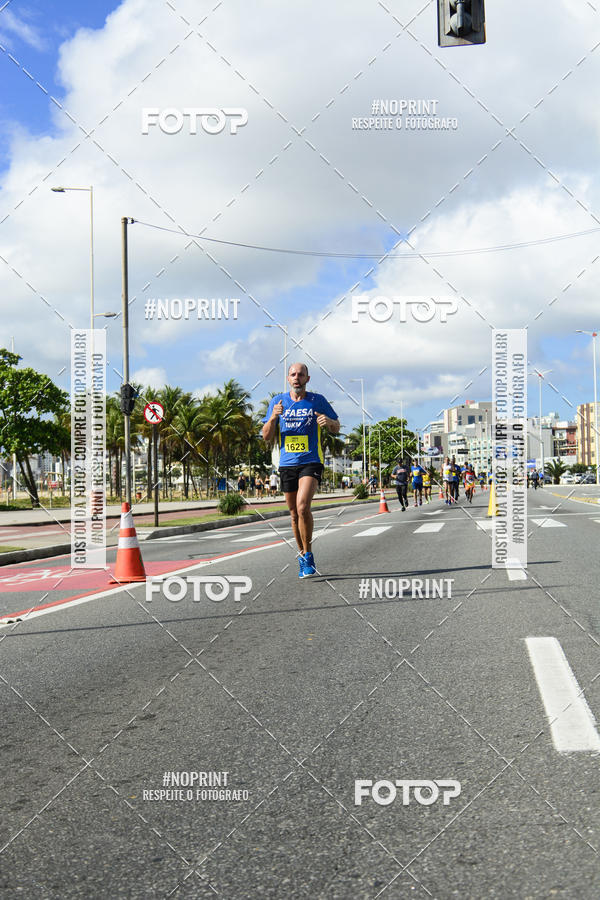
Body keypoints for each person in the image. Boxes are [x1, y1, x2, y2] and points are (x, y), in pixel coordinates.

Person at [262, 362, 339, 578]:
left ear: (307, 378)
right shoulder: (277, 402)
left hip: (311, 461)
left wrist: (328, 422)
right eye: (293, 374)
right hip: (287, 464)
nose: (297, 378)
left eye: (301, 375)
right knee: (294, 514)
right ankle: (302, 555)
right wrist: (273, 418)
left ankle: (309, 554)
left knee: (303, 506)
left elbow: (337, 426)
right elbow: (266, 436)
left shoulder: (317, 400)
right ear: (288, 378)